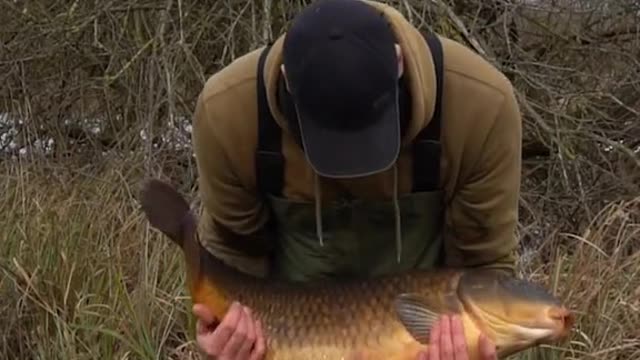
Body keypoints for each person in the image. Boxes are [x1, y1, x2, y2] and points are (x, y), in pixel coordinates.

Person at [189, 0, 522, 359]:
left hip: (423, 336)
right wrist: (224, 335)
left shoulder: (480, 107)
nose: (352, 166)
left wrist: (471, 345)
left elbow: (484, 266)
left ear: (399, 63)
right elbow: (233, 257)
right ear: (287, 80)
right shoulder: (228, 114)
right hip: (291, 339)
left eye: (367, 139)